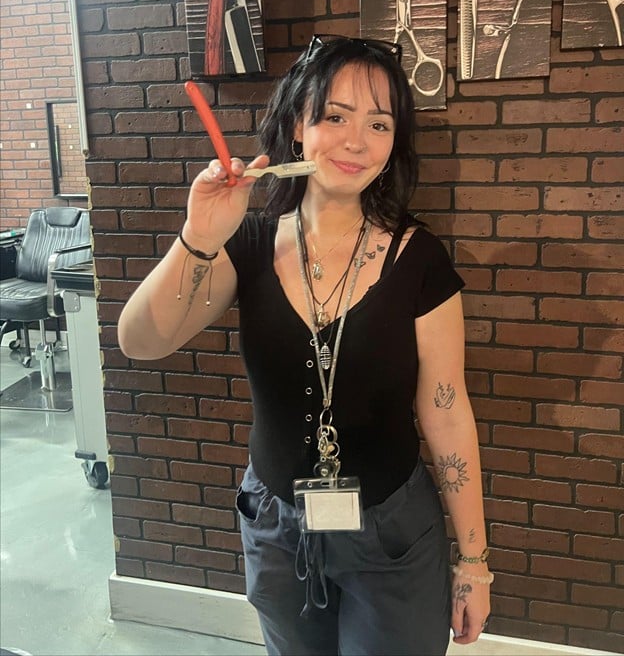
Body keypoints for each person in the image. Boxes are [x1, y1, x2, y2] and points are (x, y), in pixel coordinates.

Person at [118, 34, 492, 656]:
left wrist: (474, 561)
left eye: (379, 122)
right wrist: (198, 236)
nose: (356, 141)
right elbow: (141, 341)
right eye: (334, 116)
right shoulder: (248, 245)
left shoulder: (418, 257)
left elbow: (446, 410)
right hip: (277, 530)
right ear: (297, 125)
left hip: (393, 537)